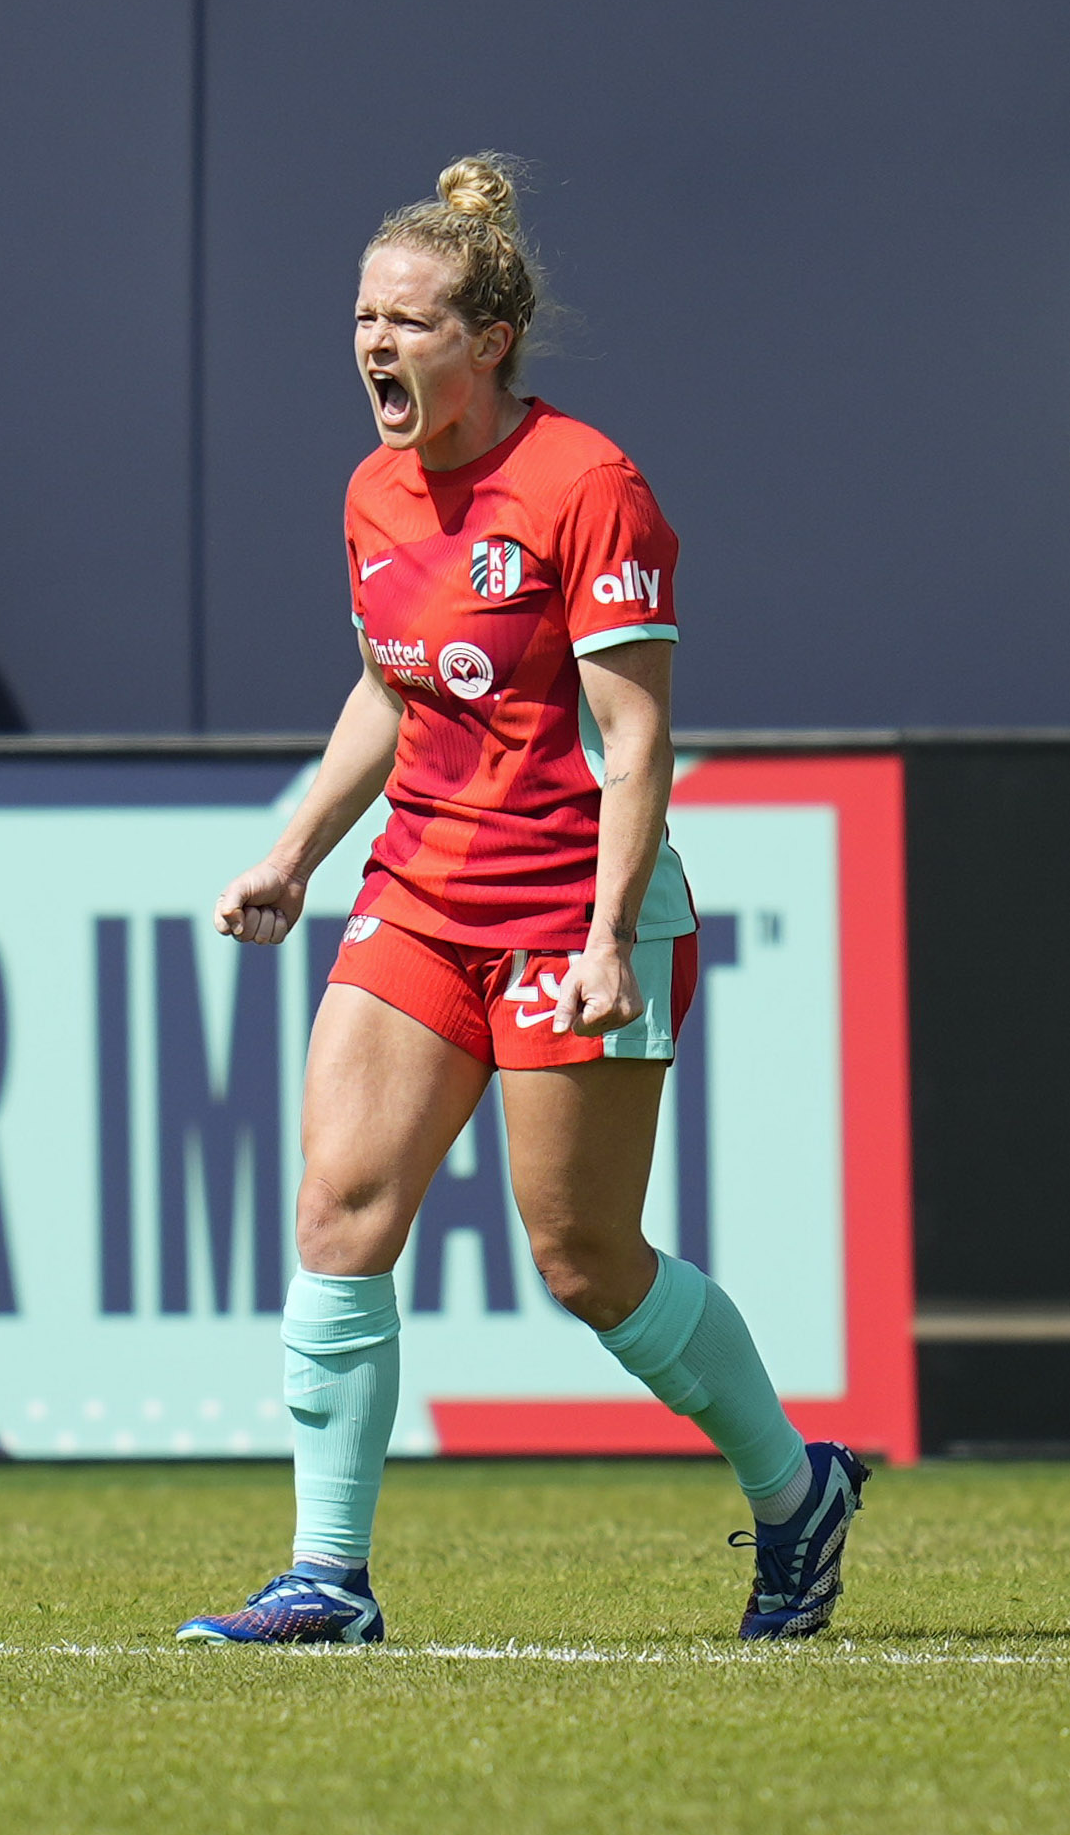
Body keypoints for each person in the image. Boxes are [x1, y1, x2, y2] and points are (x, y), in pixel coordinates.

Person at [178, 156, 864, 1648]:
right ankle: (327, 1576)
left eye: (408, 320)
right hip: (419, 895)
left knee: (582, 1259)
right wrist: (292, 854)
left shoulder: (586, 485)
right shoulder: (371, 489)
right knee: (337, 1206)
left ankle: (795, 1488)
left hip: (570, 913)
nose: (374, 345)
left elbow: (636, 741)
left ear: (486, 339)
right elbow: (385, 690)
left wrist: (613, 934)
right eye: (361, 316)